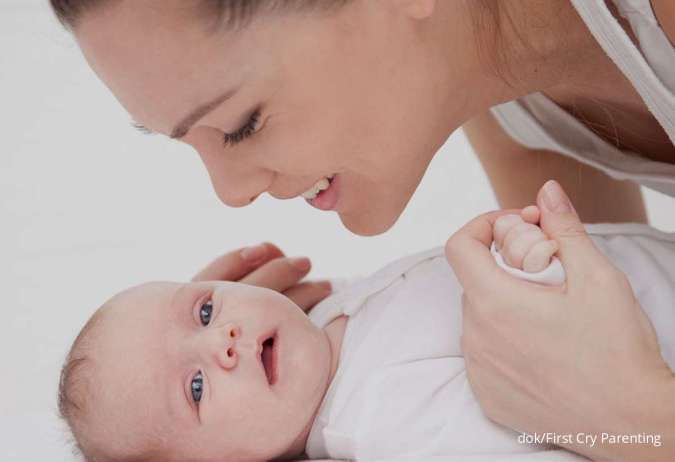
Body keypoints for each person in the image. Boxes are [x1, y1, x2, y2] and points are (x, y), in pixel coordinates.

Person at [48, 1, 675, 459]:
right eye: (191, 143)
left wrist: (628, 415)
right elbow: (594, 283)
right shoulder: (495, 90)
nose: (230, 192)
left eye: (241, 124)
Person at [58, 201, 675, 461]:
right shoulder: (385, 427)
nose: (221, 341)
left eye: (203, 311)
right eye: (194, 388)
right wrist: (541, 276)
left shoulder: (329, 320)